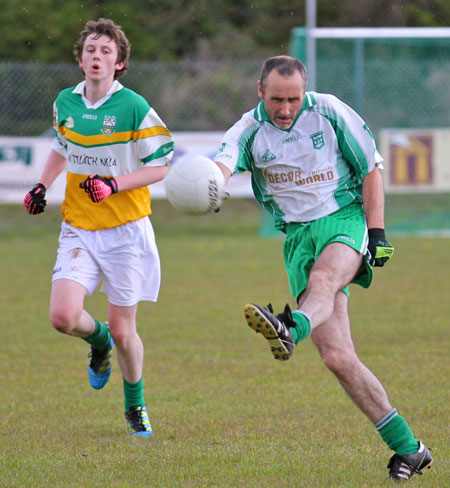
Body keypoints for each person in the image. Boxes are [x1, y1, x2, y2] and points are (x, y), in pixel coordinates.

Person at [214, 55, 432, 482]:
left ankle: (289, 328)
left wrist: (378, 232)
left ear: (304, 91)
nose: (285, 108)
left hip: (343, 217)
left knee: (325, 280)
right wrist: (208, 185)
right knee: (336, 356)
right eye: (277, 99)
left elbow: (370, 168)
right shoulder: (247, 131)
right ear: (261, 92)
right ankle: (411, 448)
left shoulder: (328, 111)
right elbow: (219, 167)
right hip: (297, 238)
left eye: (293, 99)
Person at [24, 18, 174, 437]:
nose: (97, 56)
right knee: (63, 316)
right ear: (80, 58)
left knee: (127, 332)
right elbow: (61, 146)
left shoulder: (133, 107)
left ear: (120, 63)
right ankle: (98, 341)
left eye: (106, 51)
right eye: (91, 49)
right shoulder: (65, 103)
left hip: (126, 232)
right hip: (78, 227)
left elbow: (161, 165)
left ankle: (135, 405)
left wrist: (114, 185)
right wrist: (42, 185)